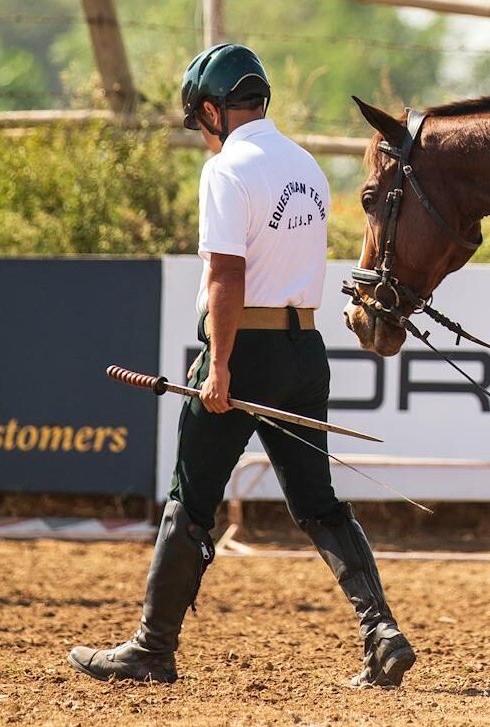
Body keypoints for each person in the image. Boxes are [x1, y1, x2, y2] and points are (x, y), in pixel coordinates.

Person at [68, 44, 416, 688]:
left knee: (190, 501)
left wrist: (219, 367)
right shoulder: (306, 166)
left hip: (243, 350)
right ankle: (383, 632)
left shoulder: (228, 170)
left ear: (211, 110)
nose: (202, 138)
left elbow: (226, 273)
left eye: (199, 124)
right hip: (305, 350)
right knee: (316, 502)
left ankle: (151, 647)